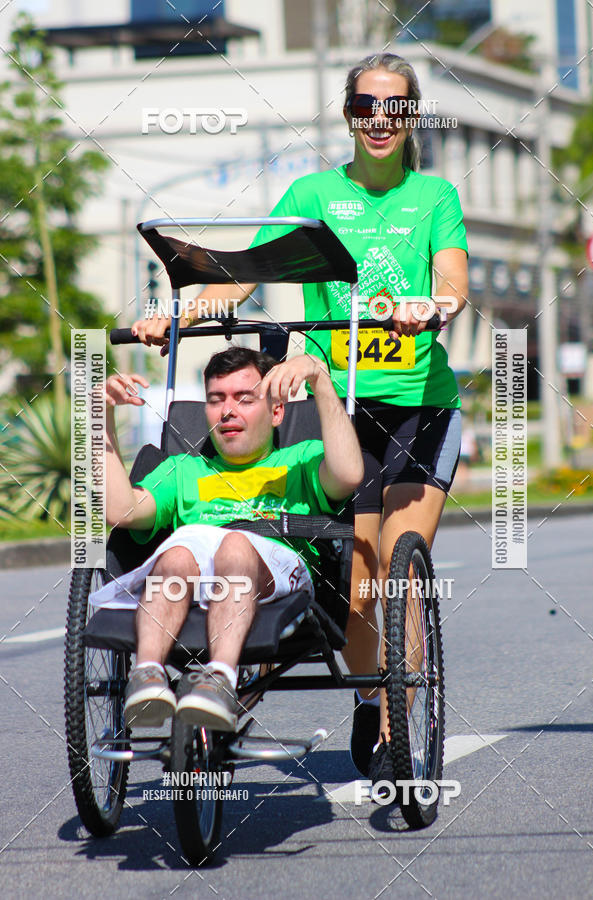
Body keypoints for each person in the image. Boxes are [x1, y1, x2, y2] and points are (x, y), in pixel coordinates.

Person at [132, 53, 469, 780]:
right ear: (348, 113)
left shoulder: (434, 195)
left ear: (412, 117)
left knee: (393, 573)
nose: (380, 121)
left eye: (396, 108)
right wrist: (177, 310)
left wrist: (431, 306)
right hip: (337, 405)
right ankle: (363, 687)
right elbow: (242, 275)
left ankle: (393, 719)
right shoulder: (313, 192)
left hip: (419, 406)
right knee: (355, 577)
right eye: (366, 107)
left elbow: (452, 280)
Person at [92, 348, 363, 732]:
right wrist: (99, 419)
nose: (227, 410)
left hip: (276, 577)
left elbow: (350, 474)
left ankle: (219, 680)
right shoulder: (183, 469)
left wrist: (319, 380)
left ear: (276, 411)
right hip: (195, 579)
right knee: (178, 553)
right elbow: (122, 512)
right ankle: (147, 676)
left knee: (235, 545)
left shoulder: (302, 459)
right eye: (216, 399)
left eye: (245, 398)